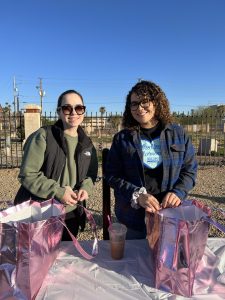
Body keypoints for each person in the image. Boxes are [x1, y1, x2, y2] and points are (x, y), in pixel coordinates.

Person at [105, 80, 197, 239]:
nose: (139, 108)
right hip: (132, 219)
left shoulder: (178, 134)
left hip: (170, 216)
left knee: (166, 261)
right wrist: (137, 195)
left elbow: (189, 170)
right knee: (133, 262)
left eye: (145, 101)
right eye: (134, 104)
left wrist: (178, 192)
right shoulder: (122, 139)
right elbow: (112, 175)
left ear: (157, 103)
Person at [14, 89, 98, 240]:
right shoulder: (44, 136)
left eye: (78, 108)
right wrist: (58, 192)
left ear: (83, 111)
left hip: (71, 214)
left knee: (65, 258)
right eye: (67, 108)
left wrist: (85, 188)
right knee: (40, 260)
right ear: (59, 112)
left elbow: (90, 174)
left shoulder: (87, 144)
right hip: (41, 212)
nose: (73, 113)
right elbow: (28, 174)